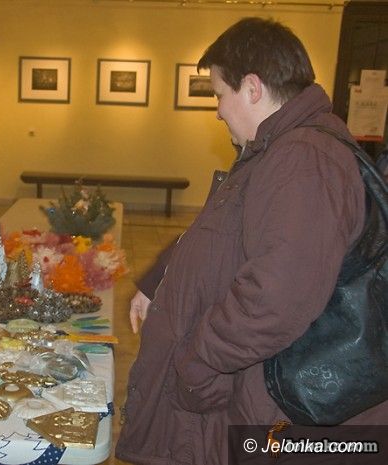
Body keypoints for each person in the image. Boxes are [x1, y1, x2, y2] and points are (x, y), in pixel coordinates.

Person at [116, 17, 388, 465]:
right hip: (250, 401)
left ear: (253, 88)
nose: (218, 110)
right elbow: (225, 234)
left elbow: (273, 301)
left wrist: (195, 362)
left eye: (219, 94)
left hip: (270, 415)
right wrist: (160, 278)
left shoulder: (303, 159)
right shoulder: (276, 150)